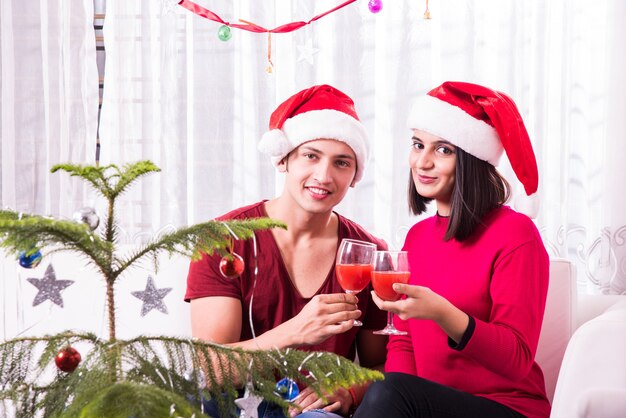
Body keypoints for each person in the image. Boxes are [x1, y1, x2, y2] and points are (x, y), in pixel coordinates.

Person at [186, 84, 388, 417]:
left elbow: (381, 362)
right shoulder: (225, 239)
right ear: (283, 159)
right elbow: (212, 369)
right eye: (311, 156)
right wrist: (296, 329)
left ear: (354, 176)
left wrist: (352, 391)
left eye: (341, 163)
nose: (323, 176)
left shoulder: (368, 253)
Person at [354, 81, 550, 418]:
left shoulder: (517, 234)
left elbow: (517, 358)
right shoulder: (416, 238)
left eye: (444, 150)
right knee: (386, 389)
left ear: (472, 159)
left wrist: (444, 314)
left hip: (506, 407)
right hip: (427, 407)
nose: (423, 162)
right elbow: (401, 340)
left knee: (386, 391)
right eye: (418, 145)